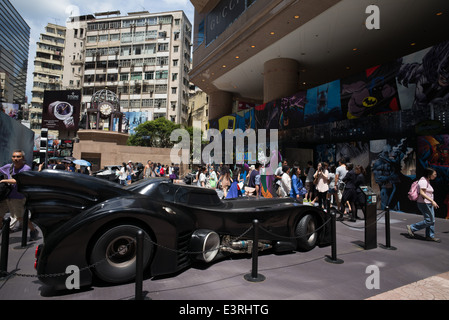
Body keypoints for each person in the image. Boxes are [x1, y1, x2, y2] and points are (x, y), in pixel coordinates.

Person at [0, 150, 39, 240]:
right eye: (14, 157)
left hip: (18, 197)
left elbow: (18, 180)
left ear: (23, 158)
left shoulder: (26, 168)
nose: (15, 159)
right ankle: (5, 230)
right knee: (0, 215)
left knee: (20, 217)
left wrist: (3, 181)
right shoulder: (8, 167)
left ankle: (33, 230)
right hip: (6, 195)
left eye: (18, 157)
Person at [406, 168, 441, 242]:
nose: (435, 176)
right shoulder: (423, 181)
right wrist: (432, 201)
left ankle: (430, 236)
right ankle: (412, 227)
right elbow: (422, 193)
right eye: (434, 174)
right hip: (424, 203)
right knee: (429, 220)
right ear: (429, 174)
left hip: (428, 203)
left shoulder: (426, 180)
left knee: (432, 220)